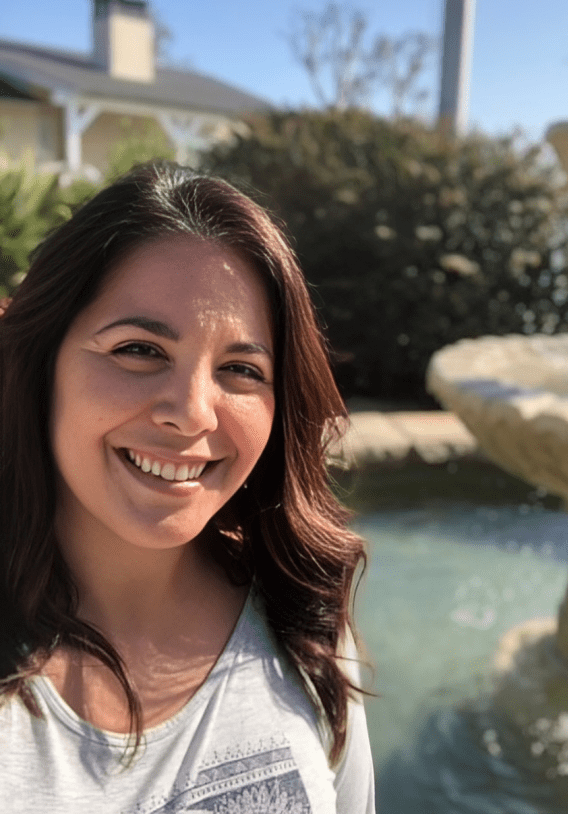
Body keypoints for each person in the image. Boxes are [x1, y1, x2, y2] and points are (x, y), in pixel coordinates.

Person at [0, 161, 374, 813]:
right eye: (138, 350)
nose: (193, 412)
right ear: (43, 365)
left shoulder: (303, 610)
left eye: (239, 369)